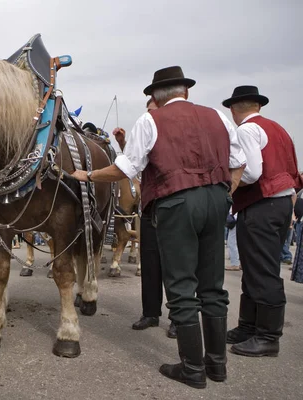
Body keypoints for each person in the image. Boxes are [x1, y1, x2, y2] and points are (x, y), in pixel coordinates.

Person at [73, 66, 246, 388]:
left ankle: (193, 368)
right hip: (216, 199)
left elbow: (127, 167)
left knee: (180, 285)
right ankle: (217, 365)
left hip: (176, 202)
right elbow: (239, 161)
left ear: (154, 96)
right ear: (186, 92)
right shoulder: (217, 117)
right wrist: (226, 192)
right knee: (212, 286)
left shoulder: (150, 120)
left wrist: (89, 176)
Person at [223, 85, 303, 358]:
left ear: (234, 109)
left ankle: (268, 336)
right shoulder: (278, 129)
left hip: (260, 204)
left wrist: (228, 180)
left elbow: (253, 171)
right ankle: (249, 326)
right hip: (279, 203)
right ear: (257, 106)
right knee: (257, 268)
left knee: (263, 271)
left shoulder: (246, 130)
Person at [120, 98, 176, 339]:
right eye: (148, 110)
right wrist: (122, 143)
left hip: (174, 204)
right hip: (150, 204)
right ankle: (150, 313)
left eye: (153, 109)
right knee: (150, 261)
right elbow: (134, 163)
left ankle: (178, 317)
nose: (150, 113)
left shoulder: (174, 132)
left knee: (175, 265)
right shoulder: (148, 128)